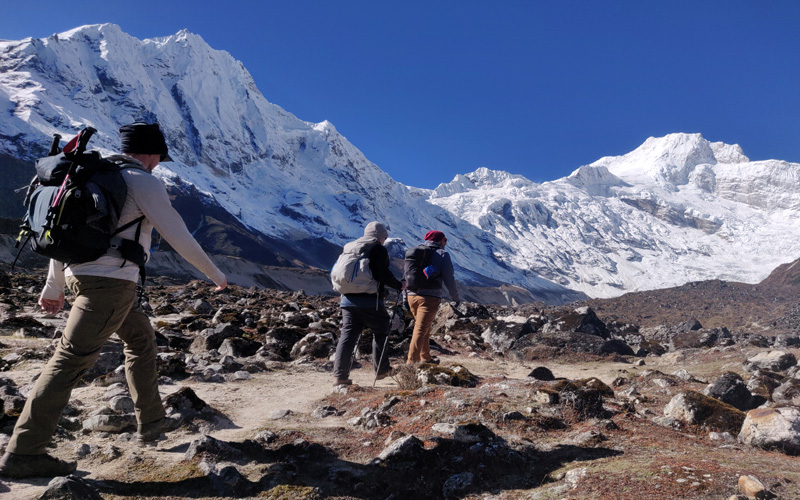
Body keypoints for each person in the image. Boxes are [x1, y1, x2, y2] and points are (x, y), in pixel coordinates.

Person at [0, 123, 227, 479]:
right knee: (69, 361)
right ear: (151, 155)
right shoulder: (143, 182)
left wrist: (54, 286)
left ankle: (152, 421)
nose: (158, 164)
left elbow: (63, 233)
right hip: (111, 284)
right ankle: (24, 452)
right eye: (159, 157)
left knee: (141, 340)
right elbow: (178, 234)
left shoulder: (92, 175)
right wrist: (215, 274)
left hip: (83, 276)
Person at [333, 222, 404, 386]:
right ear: (381, 236)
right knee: (381, 330)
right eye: (384, 237)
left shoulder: (351, 246)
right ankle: (382, 369)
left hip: (347, 299)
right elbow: (381, 274)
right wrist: (399, 285)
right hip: (370, 300)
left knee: (347, 336)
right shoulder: (377, 248)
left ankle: (340, 376)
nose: (384, 240)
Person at [404, 230, 460, 364]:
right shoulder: (442, 254)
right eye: (445, 240)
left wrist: (404, 297)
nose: (446, 243)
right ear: (439, 240)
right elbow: (449, 278)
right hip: (429, 297)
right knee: (420, 329)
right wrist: (455, 297)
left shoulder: (415, 252)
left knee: (424, 327)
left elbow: (405, 275)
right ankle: (411, 364)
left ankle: (426, 358)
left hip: (411, 296)